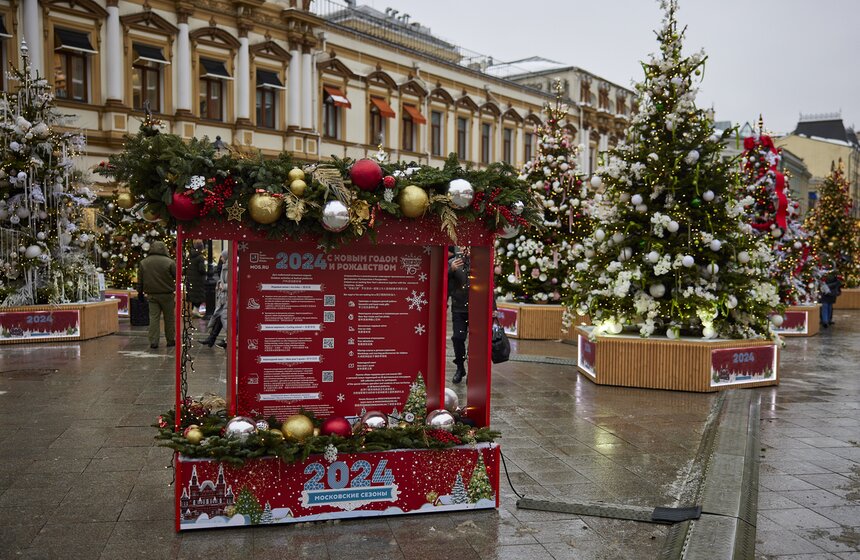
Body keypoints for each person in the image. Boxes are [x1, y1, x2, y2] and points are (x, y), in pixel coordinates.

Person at [138, 240, 176, 349]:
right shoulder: (170, 262)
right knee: (169, 318)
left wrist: (140, 292)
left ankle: (154, 341)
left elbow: (140, 280)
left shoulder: (144, 262)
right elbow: (177, 276)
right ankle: (170, 340)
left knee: (154, 318)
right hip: (167, 295)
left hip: (152, 295)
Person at [448, 246, 470, 383]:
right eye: (462, 246)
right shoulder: (453, 262)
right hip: (459, 308)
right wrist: (451, 270)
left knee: (476, 343)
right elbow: (442, 280)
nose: (465, 249)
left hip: (477, 308)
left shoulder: (480, 262)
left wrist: (493, 307)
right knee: (457, 338)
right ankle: (460, 367)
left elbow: (489, 283)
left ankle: (473, 371)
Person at [203, 250, 229, 348]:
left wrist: (224, 286)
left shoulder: (229, 267)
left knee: (223, 317)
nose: (221, 259)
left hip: (228, 297)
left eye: (222, 257)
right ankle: (212, 338)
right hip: (224, 297)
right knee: (221, 316)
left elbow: (234, 283)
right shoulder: (225, 266)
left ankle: (217, 339)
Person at [185, 240, 206, 318]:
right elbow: (201, 269)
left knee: (193, 295)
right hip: (198, 280)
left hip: (190, 279)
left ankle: (194, 310)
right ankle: (195, 310)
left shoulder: (189, 255)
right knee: (199, 295)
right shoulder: (200, 257)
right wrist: (205, 272)